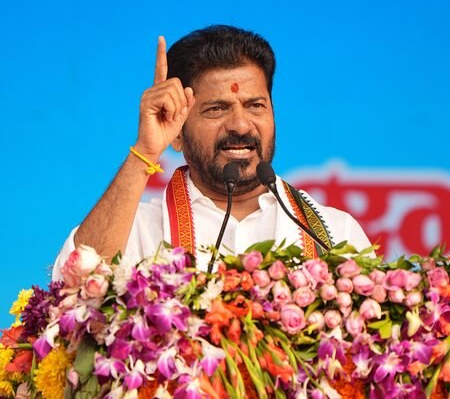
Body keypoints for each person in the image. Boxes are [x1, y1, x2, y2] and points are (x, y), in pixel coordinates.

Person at [53, 25, 371, 277]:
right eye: (217, 109)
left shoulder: (333, 234)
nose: (241, 125)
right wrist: (146, 151)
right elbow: (74, 289)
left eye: (255, 105)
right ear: (178, 131)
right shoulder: (137, 230)